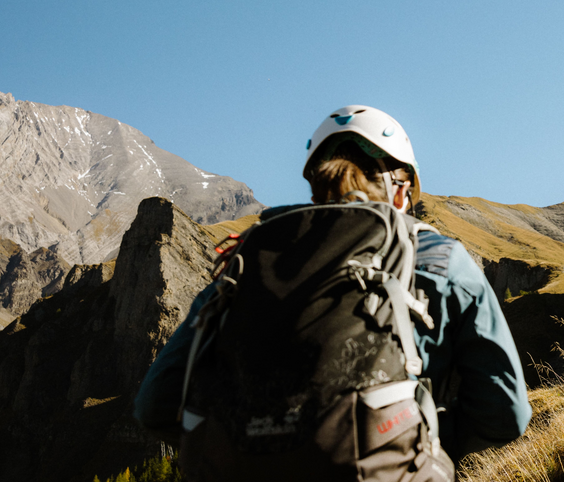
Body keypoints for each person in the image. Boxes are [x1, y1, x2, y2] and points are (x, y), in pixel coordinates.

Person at [134, 105, 531, 472]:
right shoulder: (439, 258)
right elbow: (506, 413)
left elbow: (156, 404)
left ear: (317, 188)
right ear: (401, 189)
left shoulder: (250, 260)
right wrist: (415, 435)